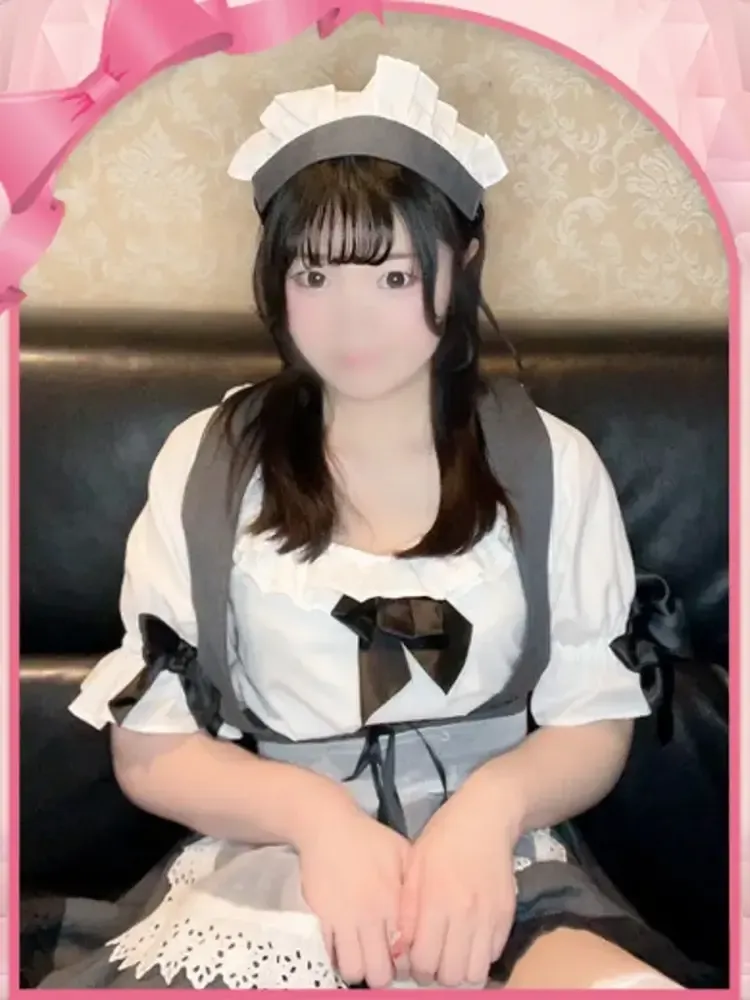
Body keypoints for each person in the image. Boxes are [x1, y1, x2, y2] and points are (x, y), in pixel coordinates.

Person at [42, 56, 693, 990]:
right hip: (275, 860)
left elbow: (593, 720)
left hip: (500, 867)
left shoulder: (552, 464)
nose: (351, 321)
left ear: (465, 262)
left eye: (394, 275)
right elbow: (152, 748)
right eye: (313, 273)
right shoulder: (209, 463)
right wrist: (319, 821)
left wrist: (488, 811)